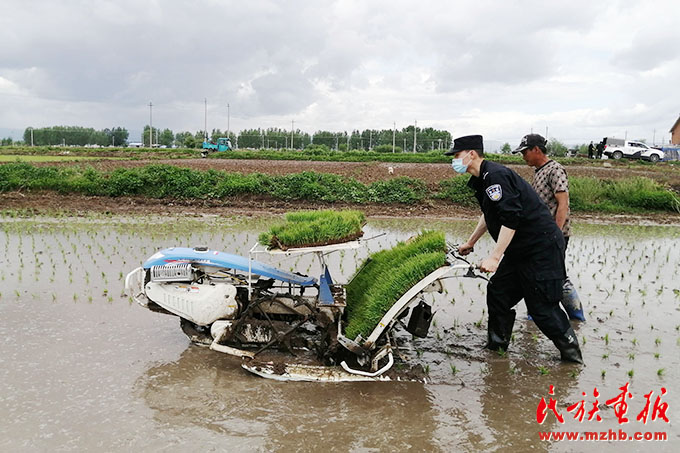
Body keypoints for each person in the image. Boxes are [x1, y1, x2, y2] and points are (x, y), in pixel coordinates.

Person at [446, 134, 583, 363]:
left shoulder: (496, 176)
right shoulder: (483, 179)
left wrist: (494, 257)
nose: (454, 161)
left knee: (542, 307)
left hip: (541, 249)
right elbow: (489, 214)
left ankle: (572, 358)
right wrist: (471, 242)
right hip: (519, 250)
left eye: (457, 156)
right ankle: (497, 350)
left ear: (471, 154)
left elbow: (511, 218)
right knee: (499, 293)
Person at [514, 134, 585, 321]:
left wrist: (556, 233)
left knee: (557, 276)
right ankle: (536, 315)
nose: (523, 156)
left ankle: (576, 316)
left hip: (554, 235)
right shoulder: (538, 171)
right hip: (541, 235)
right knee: (535, 275)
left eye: (525, 152)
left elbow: (563, 204)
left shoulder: (555, 170)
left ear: (536, 150)